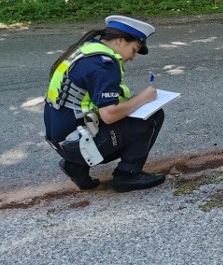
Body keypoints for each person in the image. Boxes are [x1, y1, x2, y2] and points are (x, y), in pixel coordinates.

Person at [44, 15, 166, 192]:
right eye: (134, 49)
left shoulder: (86, 51)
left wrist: (132, 101)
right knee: (153, 115)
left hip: (64, 140)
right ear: (120, 41)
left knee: (132, 110)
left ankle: (76, 166)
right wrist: (143, 99)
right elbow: (109, 115)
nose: (133, 57)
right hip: (76, 143)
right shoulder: (104, 65)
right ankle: (128, 175)